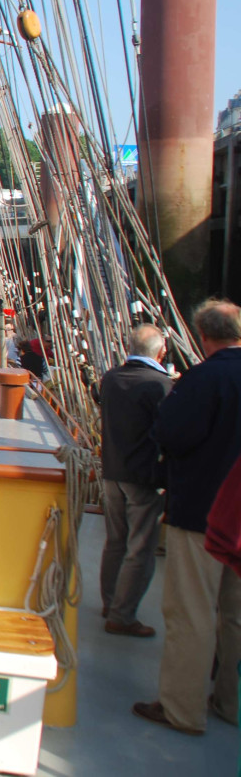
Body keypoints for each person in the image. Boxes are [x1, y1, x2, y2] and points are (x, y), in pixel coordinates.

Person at [134, 299, 241, 735]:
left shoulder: (204, 379)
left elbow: (171, 432)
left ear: (202, 336)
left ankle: (182, 709)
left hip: (203, 512)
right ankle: (231, 703)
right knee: (234, 615)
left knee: (193, 612)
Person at [98, 324, 172, 637]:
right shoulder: (161, 385)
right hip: (143, 477)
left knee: (115, 541)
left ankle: (110, 602)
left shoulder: (111, 378)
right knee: (140, 548)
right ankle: (123, 616)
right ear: (162, 351)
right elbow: (171, 431)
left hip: (111, 472)